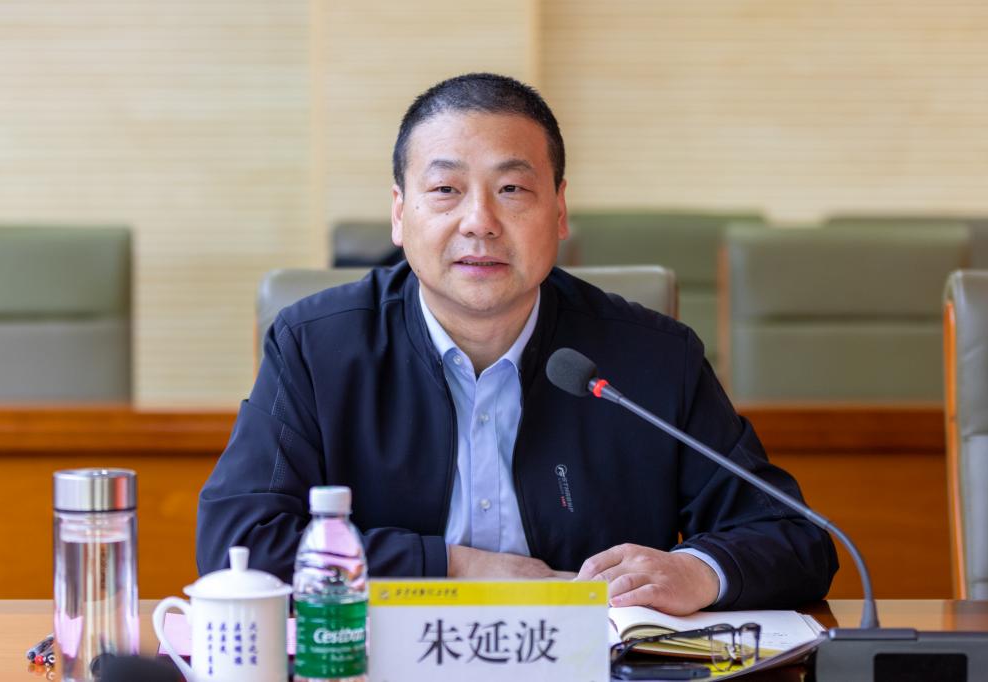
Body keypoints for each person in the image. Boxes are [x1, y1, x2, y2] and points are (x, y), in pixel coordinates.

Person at [197, 73, 837, 615]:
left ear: (559, 211)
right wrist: (454, 568)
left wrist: (697, 572)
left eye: (512, 190)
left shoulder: (653, 358)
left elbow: (794, 537)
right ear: (399, 212)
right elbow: (239, 543)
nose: (479, 221)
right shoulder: (317, 348)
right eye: (445, 190)